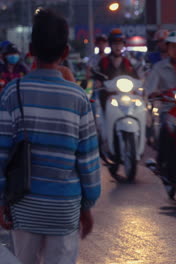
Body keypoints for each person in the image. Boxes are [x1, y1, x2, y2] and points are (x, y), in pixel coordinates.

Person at [0, 8, 101, 264]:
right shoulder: (78, 97)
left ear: (30, 50)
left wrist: (2, 199)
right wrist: (87, 205)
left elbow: (1, 152)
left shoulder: (13, 92)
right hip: (64, 209)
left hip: (24, 206)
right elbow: (88, 158)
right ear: (65, 52)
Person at [144, 31, 176, 200]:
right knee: (166, 131)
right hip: (168, 111)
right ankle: (162, 164)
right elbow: (149, 89)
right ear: (168, 48)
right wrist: (155, 93)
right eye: (173, 46)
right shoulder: (159, 67)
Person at [97, 28, 137, 110]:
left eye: (120, 44)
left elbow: (136, 78)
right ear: (110, 45)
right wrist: (99, 83)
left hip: (126, 97)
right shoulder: (104, 62)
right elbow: (98, 77)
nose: (117, 47)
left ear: (123, 45)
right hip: (108, 98)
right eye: (115, 44)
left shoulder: (127, 62)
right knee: (96, 108)